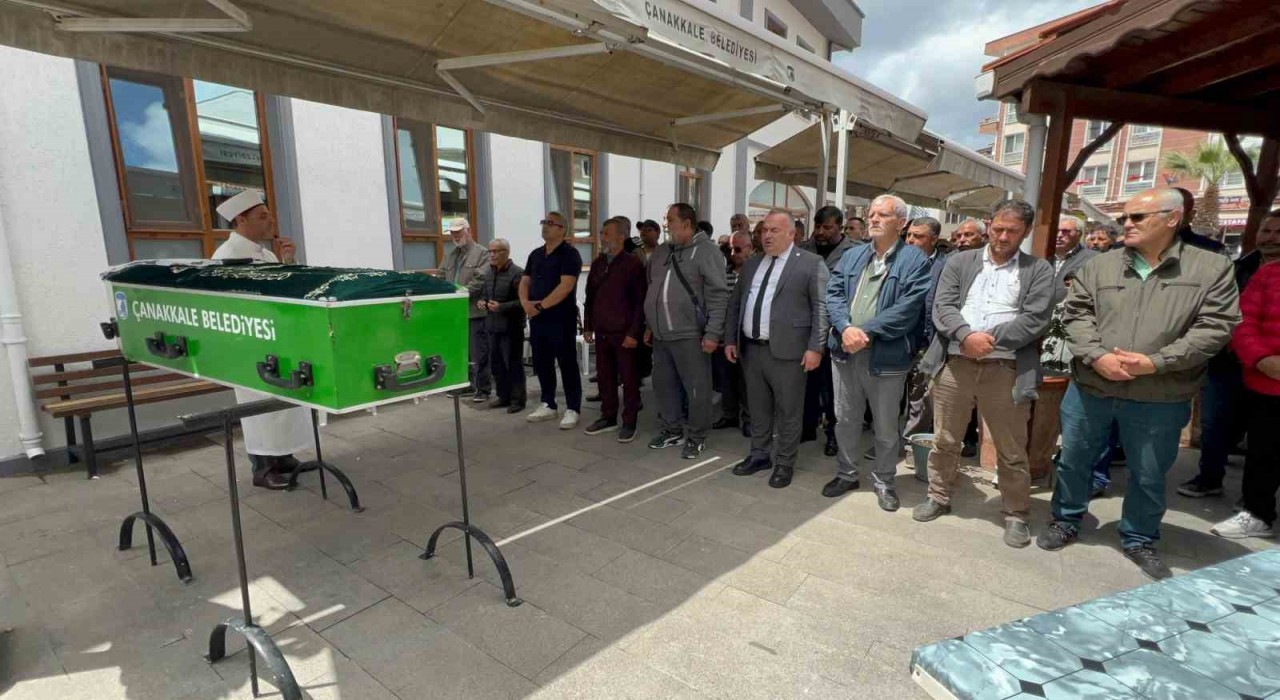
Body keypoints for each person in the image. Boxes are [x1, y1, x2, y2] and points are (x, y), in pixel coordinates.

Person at [1039, 188, 1239, 580]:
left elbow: (1216, 327)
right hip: (1092, 386)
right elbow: (1076, 315)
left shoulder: (1211, 268)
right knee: (1073, 459)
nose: (1126, 224)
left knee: (1148, 472)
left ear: (1172, 218)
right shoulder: (1101, 265)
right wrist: (1097, 356)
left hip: (1159, 393)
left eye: (1137, 217)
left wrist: (1155, 363)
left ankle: (1139, 537)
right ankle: (1065, 519)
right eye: (1124, 218)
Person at [913, 199, 1055, 549]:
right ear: (989, 225)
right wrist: (965, 336)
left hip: (1006, 368)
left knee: (1011, 446)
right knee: (946, 438)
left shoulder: (1038, 270)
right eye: (999, 228)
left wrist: (988, 341)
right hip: (956, 364)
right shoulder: (959, 262)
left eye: (1013, 231)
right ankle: (938, 495)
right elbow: (943, 306)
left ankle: (1016, 513)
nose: (1003, 236)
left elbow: (1036, 318)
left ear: (1025, 232)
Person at [821, 195, 931, 510]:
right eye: (871, 214)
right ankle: (847, 474)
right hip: (845, 352)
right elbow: (833, 294)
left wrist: (865, 331)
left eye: (882, 215)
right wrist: (845, 328)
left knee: (884, 427)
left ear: (901, 223)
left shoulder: (915, 260)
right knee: (845, 419)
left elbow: (908, 308)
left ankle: (884, 481)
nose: (873, 219)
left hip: (887, 358)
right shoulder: (853, 255)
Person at [210, 190, 310, 490]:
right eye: (262, 216)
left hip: (275, 338)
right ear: (241, 220)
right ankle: (262, 467)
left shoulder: (266, 254)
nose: (271, 221)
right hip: (249, 341)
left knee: (283, 401)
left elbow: (284, 292)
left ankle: (283, 456)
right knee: (257, 403)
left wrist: (288, 262)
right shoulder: (226, 256)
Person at [725, 210, 829, 488]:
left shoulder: (811, 263)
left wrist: (816, 347)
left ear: (792, 234)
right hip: (752, 350)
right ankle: (760, 455)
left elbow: (821, 308)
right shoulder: (752, 264)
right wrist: (730, 339)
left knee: (788, 411)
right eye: (764, 230)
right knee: (757, 408)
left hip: (789, 353)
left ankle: (784, 462)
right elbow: (736, 304)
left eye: (775, 231)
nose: (767, 236)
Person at [1178, 211, 1275, 499]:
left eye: (1279, 233)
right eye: (1266, 231)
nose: (1271, 238)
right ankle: (1210, 478)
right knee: (1215, 423)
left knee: (1264, 435)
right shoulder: (1237, 267)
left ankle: (1256, 498)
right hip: (1227, 360)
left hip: (1270, 371)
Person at [643, 203, 729, 459]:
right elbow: (652, 289)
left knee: (696, 389)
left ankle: (696, 436)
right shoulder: (661, 251)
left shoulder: (707, 252)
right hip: (661, 335)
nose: (666, 224)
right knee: (664, 385)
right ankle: (672, 430)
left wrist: (713, 333)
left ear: (687, 223)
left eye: (670, 220)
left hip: (691, 334)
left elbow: (718, 295)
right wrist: (650, 325)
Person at [1210, 232, 1280, 539]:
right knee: (1264, 451)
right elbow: (1243, 320)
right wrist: (1261, 359)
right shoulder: (1268, 274)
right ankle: (1257, 513)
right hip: (1268, 381)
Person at [583, 217, 647, 442]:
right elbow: (590, 297)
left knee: (629, 380)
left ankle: (629, 422)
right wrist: (587, 326)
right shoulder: (598, 263)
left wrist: (633, 333)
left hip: (624, 333)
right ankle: (608, 417)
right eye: (602, 233)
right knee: (605, 377)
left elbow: (640, 302)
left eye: (606, 233)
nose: (602, 237)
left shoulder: (633, 264)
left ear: (621, 237)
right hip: (602, 331)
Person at [800, 205, 856, 457]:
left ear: (840, 227)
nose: (821, 232)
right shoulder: (804, 249)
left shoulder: (854, 252)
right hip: (807, 327)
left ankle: (834, 433)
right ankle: (807, 426)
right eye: (818, 226)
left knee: (833, 388)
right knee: (807, 381)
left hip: (836, 329)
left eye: (827, 227)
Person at [520, 212, 584, 429]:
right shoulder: (536, 254)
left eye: (550, 223)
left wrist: (539, 306)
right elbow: (525, 281)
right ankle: (548, 403)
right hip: (538, 319)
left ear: (562, 229)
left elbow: (565, 286)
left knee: (567, 363)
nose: (545, 226)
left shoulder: (570, 254)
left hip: (561, 318)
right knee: (542, 361)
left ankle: (573, 408)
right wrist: (525, 303)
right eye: (544, 222)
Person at [901, 216, 948, 445]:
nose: (910, 240)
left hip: (928, 341)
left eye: (917, 236)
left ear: (934, 239)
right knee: (891, 396)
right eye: (909, 235)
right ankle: (887, 440)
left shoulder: (945, 266)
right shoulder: (897, 261)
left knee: (919, 395)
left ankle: (910, 443)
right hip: (898, 338)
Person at [439, 218, 492, 402]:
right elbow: (441, 275)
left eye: (459, 232)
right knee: (461, 351)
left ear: (468, 231)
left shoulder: (482, 253)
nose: (455, 236)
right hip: (455, 313)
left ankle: (483, 388)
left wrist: (460, 294)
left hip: (474, 312)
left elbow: (480, 280)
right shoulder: (450, 254)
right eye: (453, 233)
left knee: (478, 352)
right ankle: (466, 384)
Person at [475, 238, 526, 413]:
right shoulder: (488, 273)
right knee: (496, 364)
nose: (492, 255)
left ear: (506, 252)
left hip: (511, 328)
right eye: (490, 251)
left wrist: (502, 307)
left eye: (496, 251)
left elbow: (523, 302)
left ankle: (518, 400)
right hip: (492, 326)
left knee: (513, 364)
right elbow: (485, 295)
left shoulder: (518, 274)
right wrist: (483, 302)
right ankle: (503, 396)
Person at [713, 231, 753, 436]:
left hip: (748, 338)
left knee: (747, 382)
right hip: (725, 336)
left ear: (749, 249)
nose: (732, 254)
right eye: (729, 249)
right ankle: (729, 415)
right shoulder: (723, 274)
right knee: (726, 379)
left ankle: (748, 419)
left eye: (737, 249)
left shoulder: (757, 273)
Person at [1052, 216, 1098, 303]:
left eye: (1066, 231)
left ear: (1079, 234)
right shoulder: (1043, 255)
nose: (1059, 235)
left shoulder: (1092, 259)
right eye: (1056, 231)